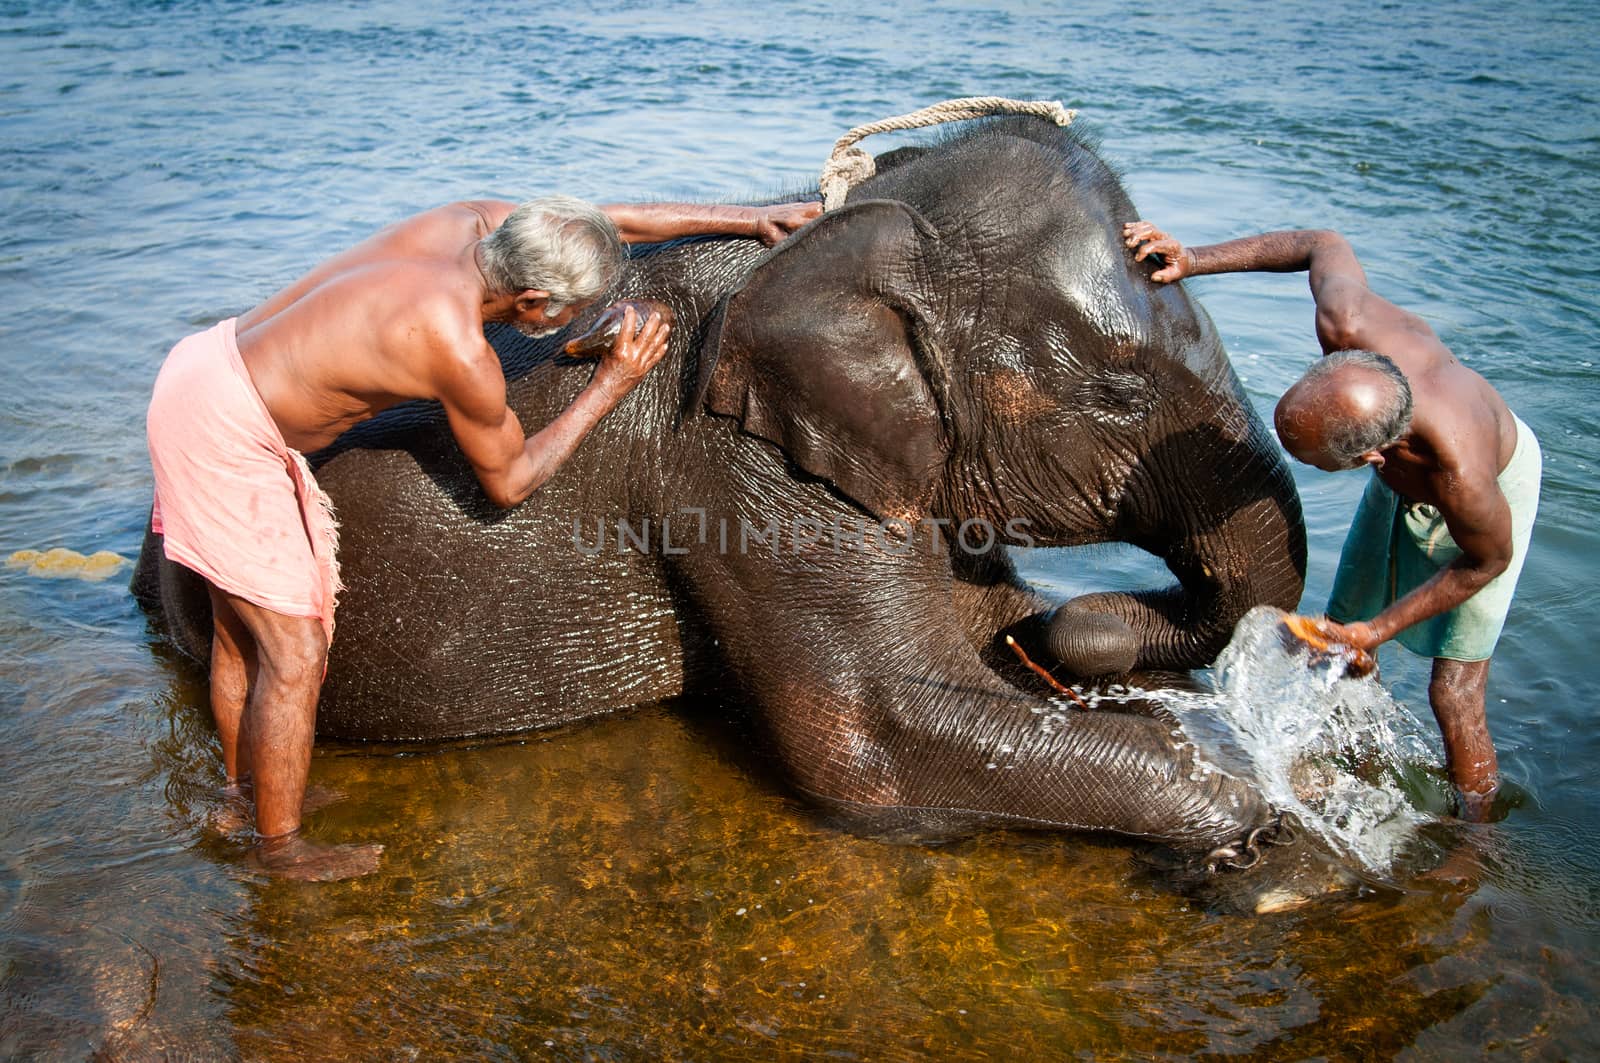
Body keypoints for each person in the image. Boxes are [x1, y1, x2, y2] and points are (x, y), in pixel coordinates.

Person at [147, 195, 822, 879]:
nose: (565, 322)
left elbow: (606, 219)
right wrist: (612, 384)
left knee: (238, 629)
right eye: (563, 311)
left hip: (204, 365)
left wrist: (748, 220)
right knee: (292, 650)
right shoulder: (457, 349)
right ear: (530, 301)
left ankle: (243, 799)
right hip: (228, 431)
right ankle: (280, 850)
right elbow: (512, 478)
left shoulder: (471, 224)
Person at [1122, 220, 1541, 820]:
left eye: (1320, 464)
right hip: (1404, 458)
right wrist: (1192, 257)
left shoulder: (1464, 479)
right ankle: (1343, 775)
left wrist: (1381, 630)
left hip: (1493, 494)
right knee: (1334, 636)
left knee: (1453, 691)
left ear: (1374, 457)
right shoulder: (1347, 323)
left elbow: (1486, 562)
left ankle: (1476, 840)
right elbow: (1322, 241)